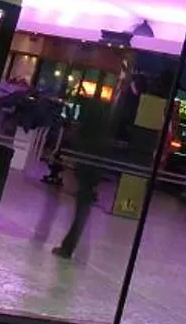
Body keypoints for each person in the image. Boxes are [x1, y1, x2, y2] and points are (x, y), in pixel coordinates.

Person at [54, 69, 138, 260]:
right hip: (94, 163)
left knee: (82, 206)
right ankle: (72, 245)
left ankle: (69, 247)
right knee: (82, 205)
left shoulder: (99, 122)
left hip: (90, 163)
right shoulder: (108, 119)